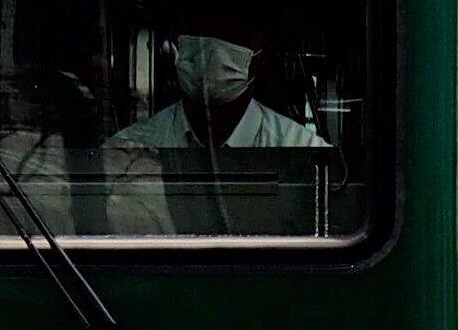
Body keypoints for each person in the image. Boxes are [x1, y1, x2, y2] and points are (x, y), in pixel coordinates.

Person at [100, 33, 329, 237]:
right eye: (198, 29)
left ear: (260, 57)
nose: (211, 48)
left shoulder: (308, 154)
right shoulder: (123, 155)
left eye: (229, 31)